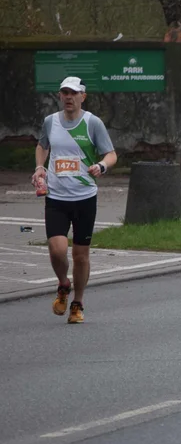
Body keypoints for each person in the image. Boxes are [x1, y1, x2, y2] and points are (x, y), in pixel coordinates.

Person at [32, 77, 117, 324]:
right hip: (56, 197)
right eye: (64, 93)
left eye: (73, 93)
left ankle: (77, 303)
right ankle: (63, 284)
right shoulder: (51, 122)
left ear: (83, 96)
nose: (69, 97)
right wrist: (40, 167)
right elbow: (42, 145)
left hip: (85, 197)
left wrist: (101, 165)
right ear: (60, 96)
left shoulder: (93, 123)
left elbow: (111, 154)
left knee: (81, 255)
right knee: (57, 249)